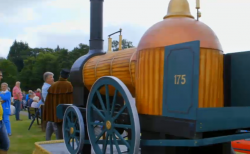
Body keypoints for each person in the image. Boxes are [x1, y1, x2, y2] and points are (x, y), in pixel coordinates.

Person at [44, 69, 73, 140]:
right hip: (66, 114)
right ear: (67, 76)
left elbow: (48, 102)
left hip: (55, 113)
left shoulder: (53, 86)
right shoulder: (70, 85)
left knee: (58, 132)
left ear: (60, 75)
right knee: (66, 132)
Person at [41, 72, 57, 140]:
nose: (53, 79)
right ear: (47, 79)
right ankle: (59, 139)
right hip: (52, 107)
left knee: (50, 123)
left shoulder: (46, 86)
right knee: (55, 123)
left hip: (49, 107)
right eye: (51, 77)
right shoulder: (49, 87)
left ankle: (47, 139)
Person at [0, 69, 10, 153]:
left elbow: (5, 99)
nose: (1, 77)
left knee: (5, 145)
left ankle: (9, 132)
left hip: (4, 110)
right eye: (0, 75)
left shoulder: (7, 92)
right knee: (5, 144)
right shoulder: (2, 92)